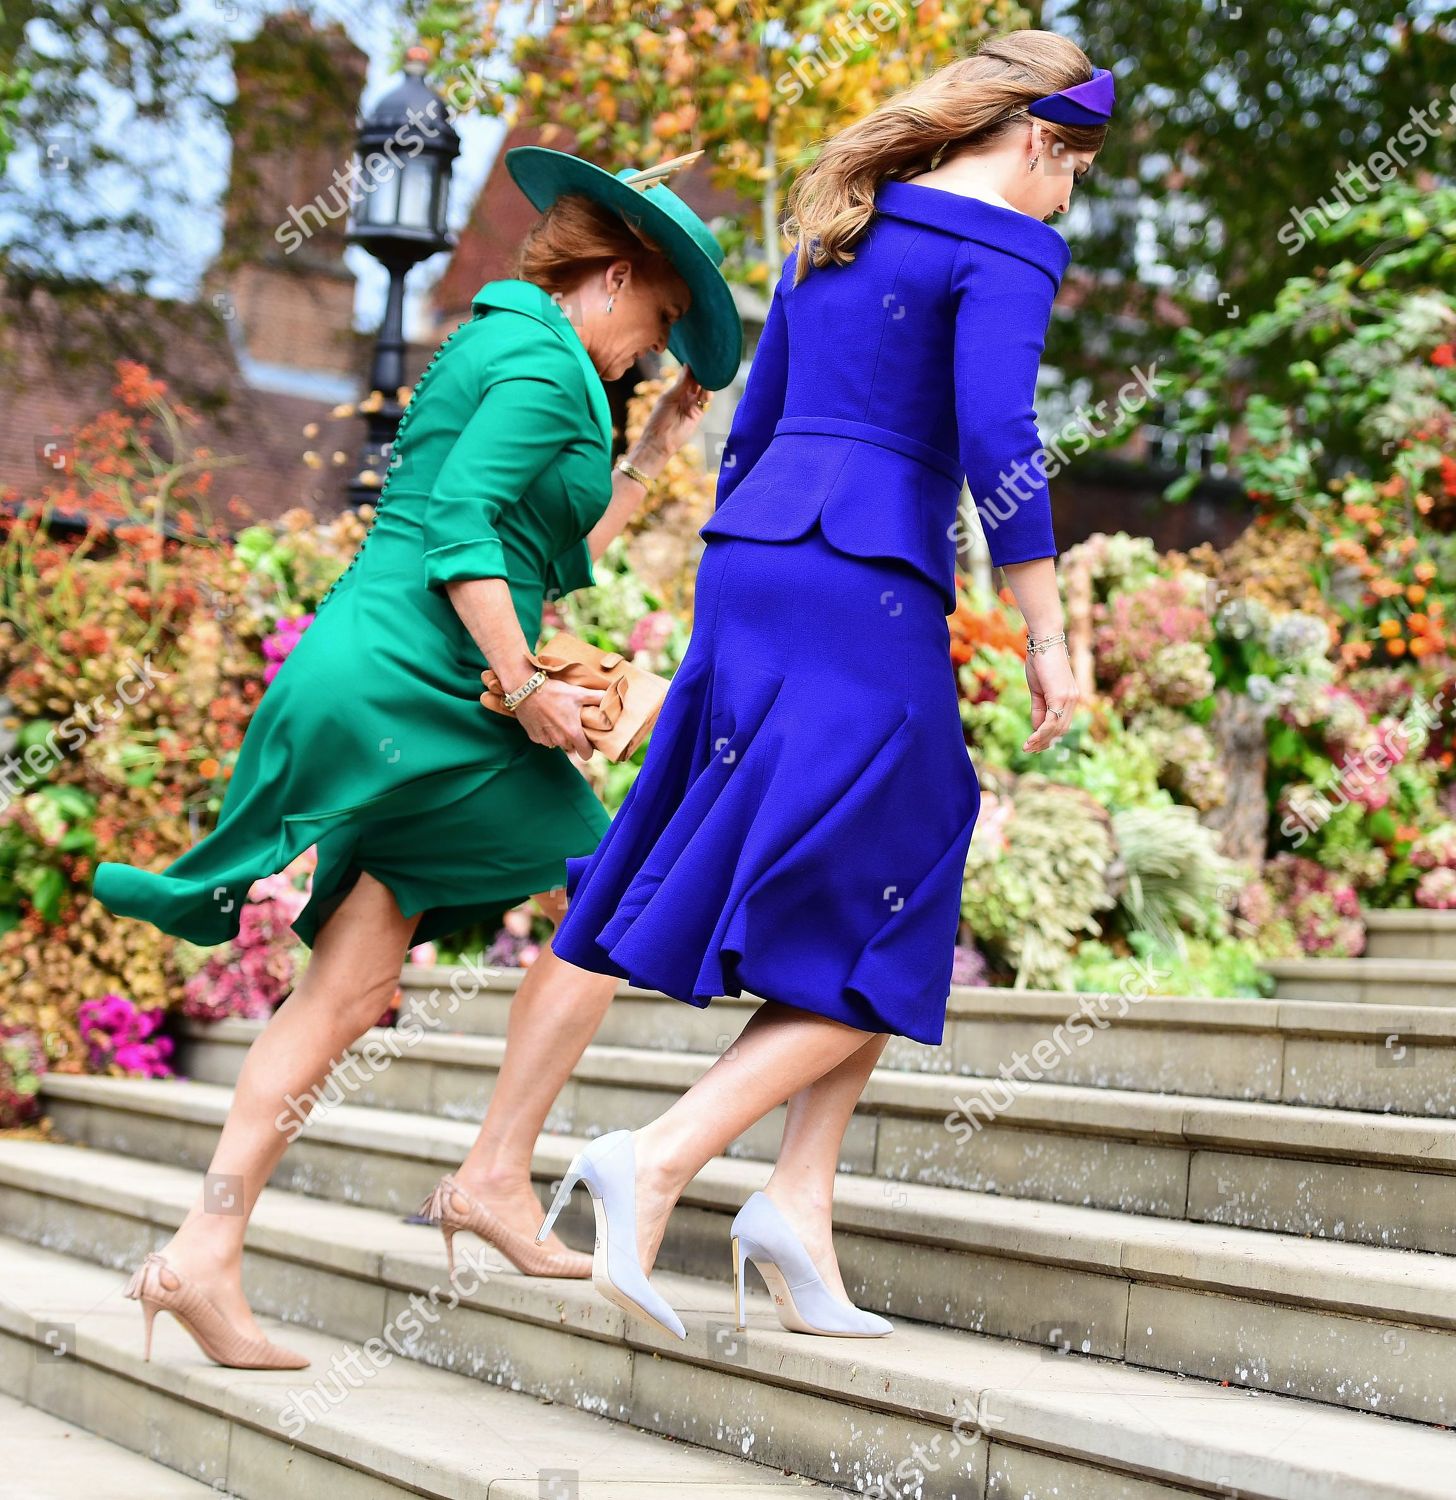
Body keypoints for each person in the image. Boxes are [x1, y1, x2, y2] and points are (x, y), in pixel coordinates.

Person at [94, 145, 744, 1368]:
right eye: (654, 326)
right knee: (608, 891)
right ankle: (496, 1176)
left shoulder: (504, 340)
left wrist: (649, 450)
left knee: (339, 992)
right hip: (422, 680)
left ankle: (203, 1250)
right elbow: (458, 535)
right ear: (610, 279)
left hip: (374, 672)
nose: (648, 355)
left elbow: (525, 527)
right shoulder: (553, 368)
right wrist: (525, 689)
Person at [529, 30, 1112, 1340]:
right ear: (1034, 142)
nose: (1066, 198)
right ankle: (665, 1153)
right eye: (1072, 170)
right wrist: (1048, 630)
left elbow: (766, 419)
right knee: (920, 849)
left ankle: (799, 1204)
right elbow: (1000, 440)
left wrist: (731, 595)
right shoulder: (1013, 244)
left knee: (874, 867)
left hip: (758, 562)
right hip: (866, 574)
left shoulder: (835, 221)